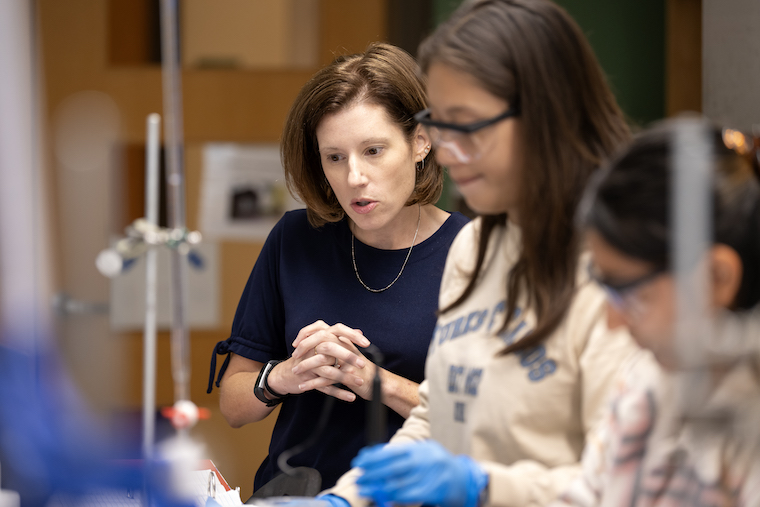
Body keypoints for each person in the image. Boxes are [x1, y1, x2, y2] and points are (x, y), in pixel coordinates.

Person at [318, 1, 640, 506]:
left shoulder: (624, 265)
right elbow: (440, 412)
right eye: (439, 125)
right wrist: (350, 497)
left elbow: (629, 484)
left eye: (467, 125)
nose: (445, 152)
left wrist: (483, 487)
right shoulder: (476, 245)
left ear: (545, 113)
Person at [206, 43, 470, 493]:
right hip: (296, 493)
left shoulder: (472, 254)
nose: (353, 178)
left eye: (373, 150)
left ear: (421, 141)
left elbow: (482, 421)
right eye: (335, 157)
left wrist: (370, 379)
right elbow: (234, 406)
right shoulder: (295, 239)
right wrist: (285, 376)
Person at [553, 117, 760, 506]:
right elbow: (585, 495)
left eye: (626, 293)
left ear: (717, 277)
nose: (612, 322)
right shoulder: (646, 381)